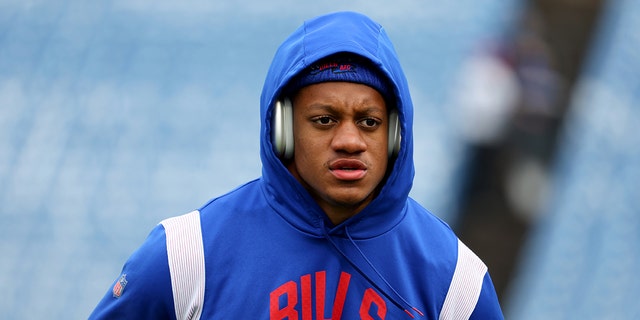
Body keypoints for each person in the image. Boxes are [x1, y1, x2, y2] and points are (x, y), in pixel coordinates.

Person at [89, 11, 504, 319]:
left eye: (369, 122)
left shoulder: (457, 283)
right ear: (283, 131)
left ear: (395, 135)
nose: (349, 142)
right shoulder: (186, 256)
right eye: (324, 120)